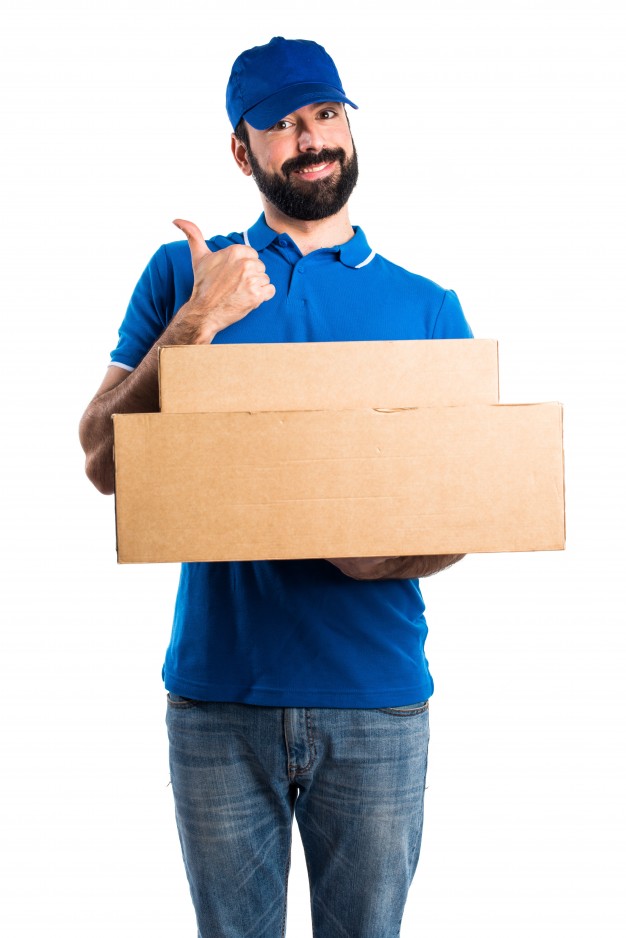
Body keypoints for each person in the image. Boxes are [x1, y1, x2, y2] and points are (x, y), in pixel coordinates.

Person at [79, 36, 472, 938]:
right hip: (220, 698)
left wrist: (387, 556)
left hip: (375, 697)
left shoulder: (426, 306)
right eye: (283, 125)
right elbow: (103, 461)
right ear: (242, 150)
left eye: (326, 115)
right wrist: (195, 323)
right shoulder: (187, 275)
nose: (311, 139)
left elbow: (470, 504)